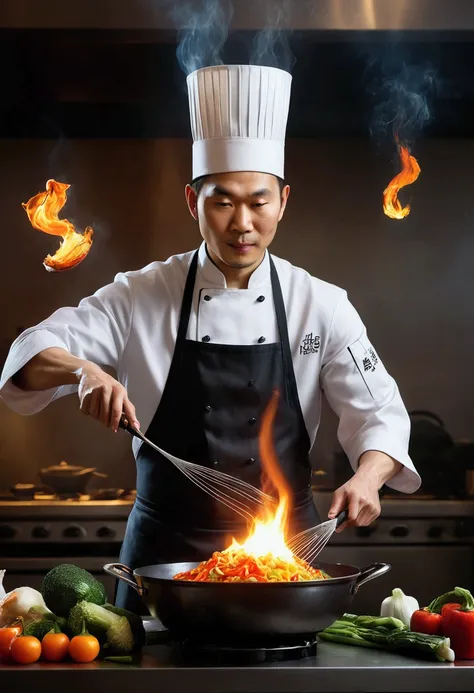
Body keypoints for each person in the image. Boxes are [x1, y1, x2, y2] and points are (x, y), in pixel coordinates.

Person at [0, 64, 420, 612]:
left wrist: (369, 474)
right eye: (223, 202)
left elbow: (382, 414)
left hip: (284, 563)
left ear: (283, 201)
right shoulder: (139, 295)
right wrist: (85, 370)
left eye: (259, 201)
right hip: (162, 565)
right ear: (192, 202)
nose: (242, 223)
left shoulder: (322, 304)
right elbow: (27, 354)